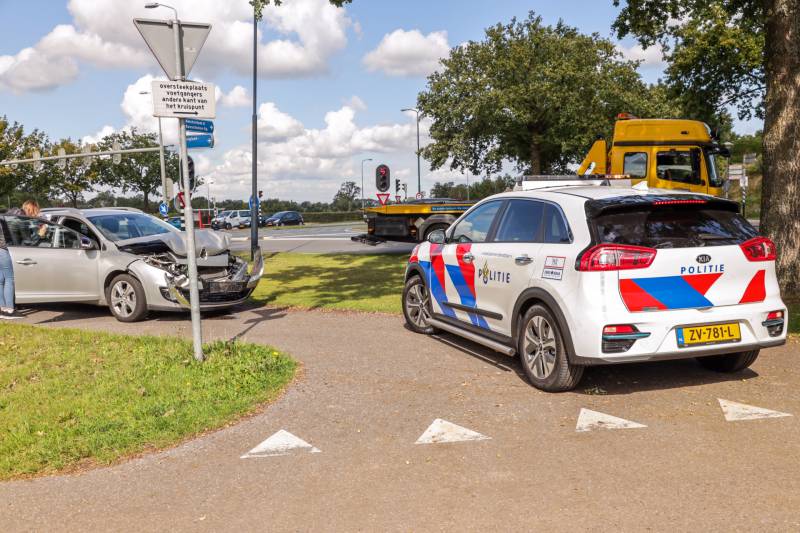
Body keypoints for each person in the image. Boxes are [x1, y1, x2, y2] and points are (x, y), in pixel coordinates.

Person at [0, 208, 21, 319]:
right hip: (4, 250)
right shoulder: (8, 220)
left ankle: (2, 308)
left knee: (1, 280)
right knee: (9, 279)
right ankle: (9, 310)